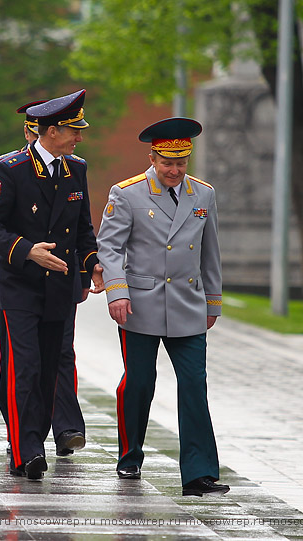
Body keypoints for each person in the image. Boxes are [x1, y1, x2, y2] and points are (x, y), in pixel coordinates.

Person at [96, 117, 229, 497]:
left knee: (193, 384)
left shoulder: (203, 195)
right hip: (139, 304)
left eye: (181, 163)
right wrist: (117, 291)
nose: (174, 170)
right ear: (152, 157)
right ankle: (130, 455)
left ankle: (200, 473)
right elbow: (110, 247)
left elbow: (210, 251)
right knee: (140, 382)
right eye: (167, 162)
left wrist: (213, 301)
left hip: (188, 304)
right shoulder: (127, 193)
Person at [0, 89, 103, 480]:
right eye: (72, 131)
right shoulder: (9, 168)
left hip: (60, 289)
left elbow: (83, 227)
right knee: (24, 367)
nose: (79, 137)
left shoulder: (75, 169)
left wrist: (92, 265)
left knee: (50, 370)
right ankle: (25, 449)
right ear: (49, 132)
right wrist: (27, 250)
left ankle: (35, 438)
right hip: (20, 287)